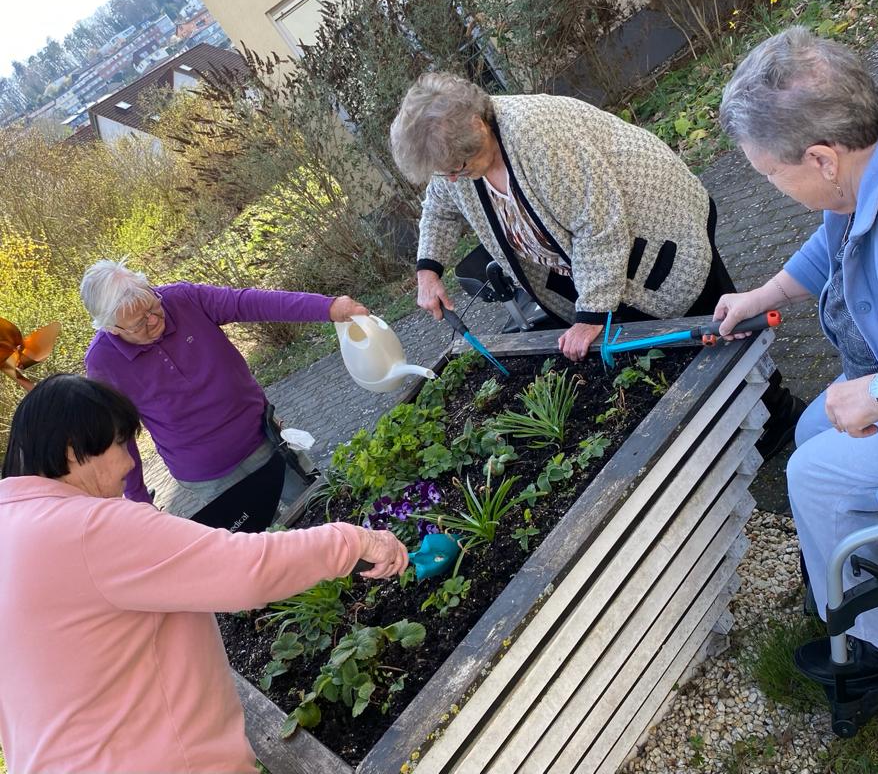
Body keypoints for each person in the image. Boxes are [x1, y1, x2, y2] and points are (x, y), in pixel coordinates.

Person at [0, 374, 407, 774]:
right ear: (73, 452)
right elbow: (249, 571)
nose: (128, 462)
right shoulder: (87, 528)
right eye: (120, 443)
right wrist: (353, 541)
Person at [390, 71, 802, 455]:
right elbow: (440, 207)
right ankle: (733, 428)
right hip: (585, 258)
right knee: (659, 346)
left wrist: (590, 315)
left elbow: (599, 228)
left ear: (479, 126)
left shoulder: (538, 137)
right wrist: (429, 269)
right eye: (447, 174)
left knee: (714, 329)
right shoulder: (457, 162)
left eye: (460, 169)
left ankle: (781, 417)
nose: (456, 180)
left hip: (656, 231)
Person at [714, 25, 878, 679]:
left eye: (771, 173)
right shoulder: (872, 155)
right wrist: (760, 293)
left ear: (821, 159)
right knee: (808, 429)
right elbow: (832, 244)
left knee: (812, 474)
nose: (773, 187)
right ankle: (860, 559)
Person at [80, 259, 369, 518]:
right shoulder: (103, 362)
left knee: (326, 508)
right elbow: (119, 434)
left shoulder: (181, 299)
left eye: (153, 306)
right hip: (209, 477)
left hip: (264, 440)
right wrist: (139, 499)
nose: (154, 320)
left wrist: (328, 307)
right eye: (139, 323)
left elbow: (250, 303)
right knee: (264, 547)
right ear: (112, 328)